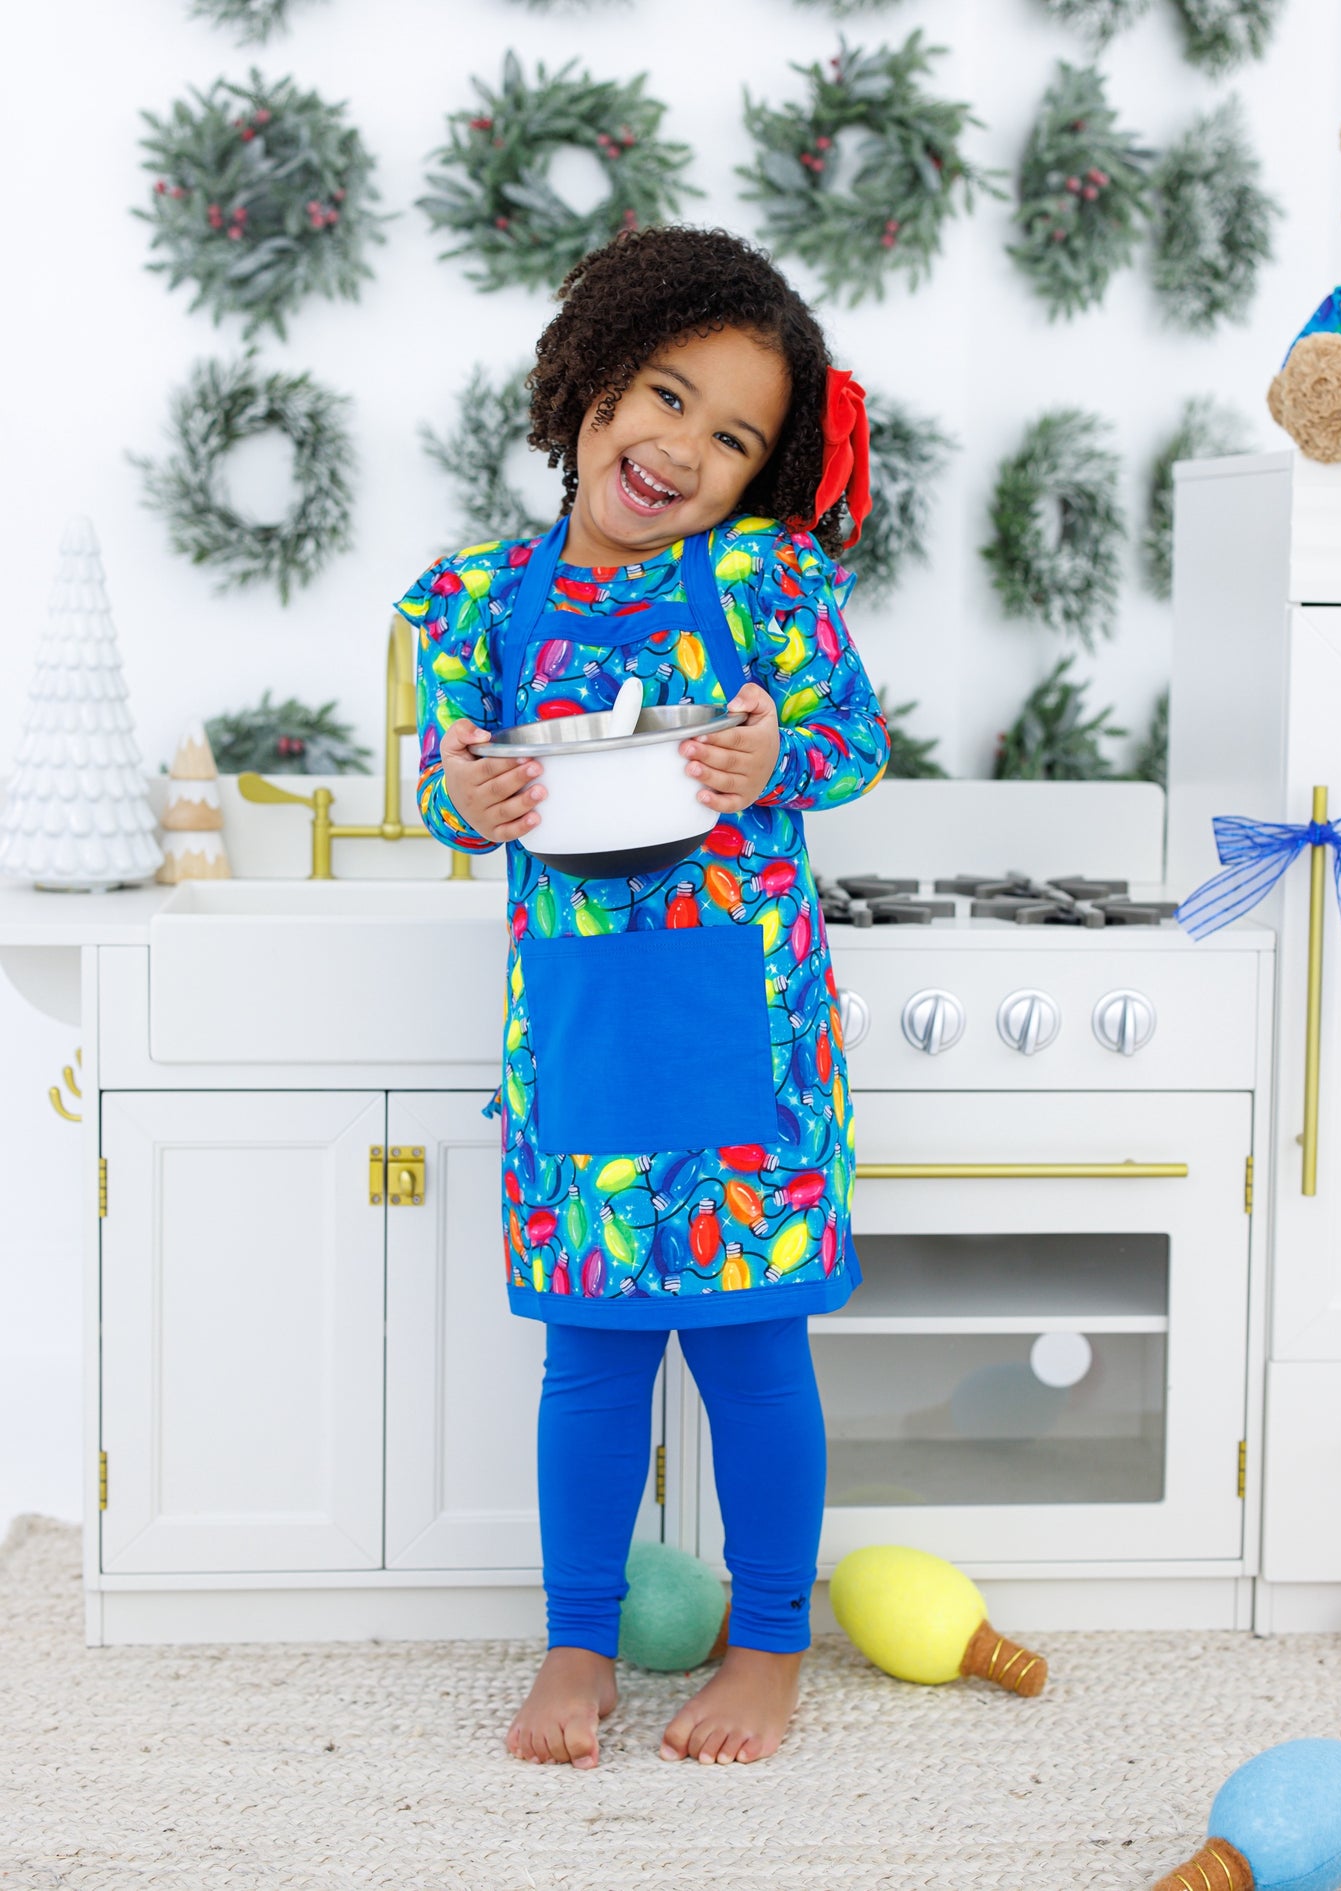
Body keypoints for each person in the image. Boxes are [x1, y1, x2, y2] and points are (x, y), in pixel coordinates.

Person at [392, 223, 888, 1773]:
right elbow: (441, 780)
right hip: (583, 1049)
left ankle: (772, 1644)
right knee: (590, 1362)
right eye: (662, 395)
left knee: (755, 1358)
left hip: (749, 1048)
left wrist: (774, 757)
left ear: (760, 474)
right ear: (590, 384)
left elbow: (852, 742)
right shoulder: (469, 599)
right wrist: (466, 791)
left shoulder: (761, 581)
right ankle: (577, 1642)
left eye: (731, 433)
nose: (681, 443)